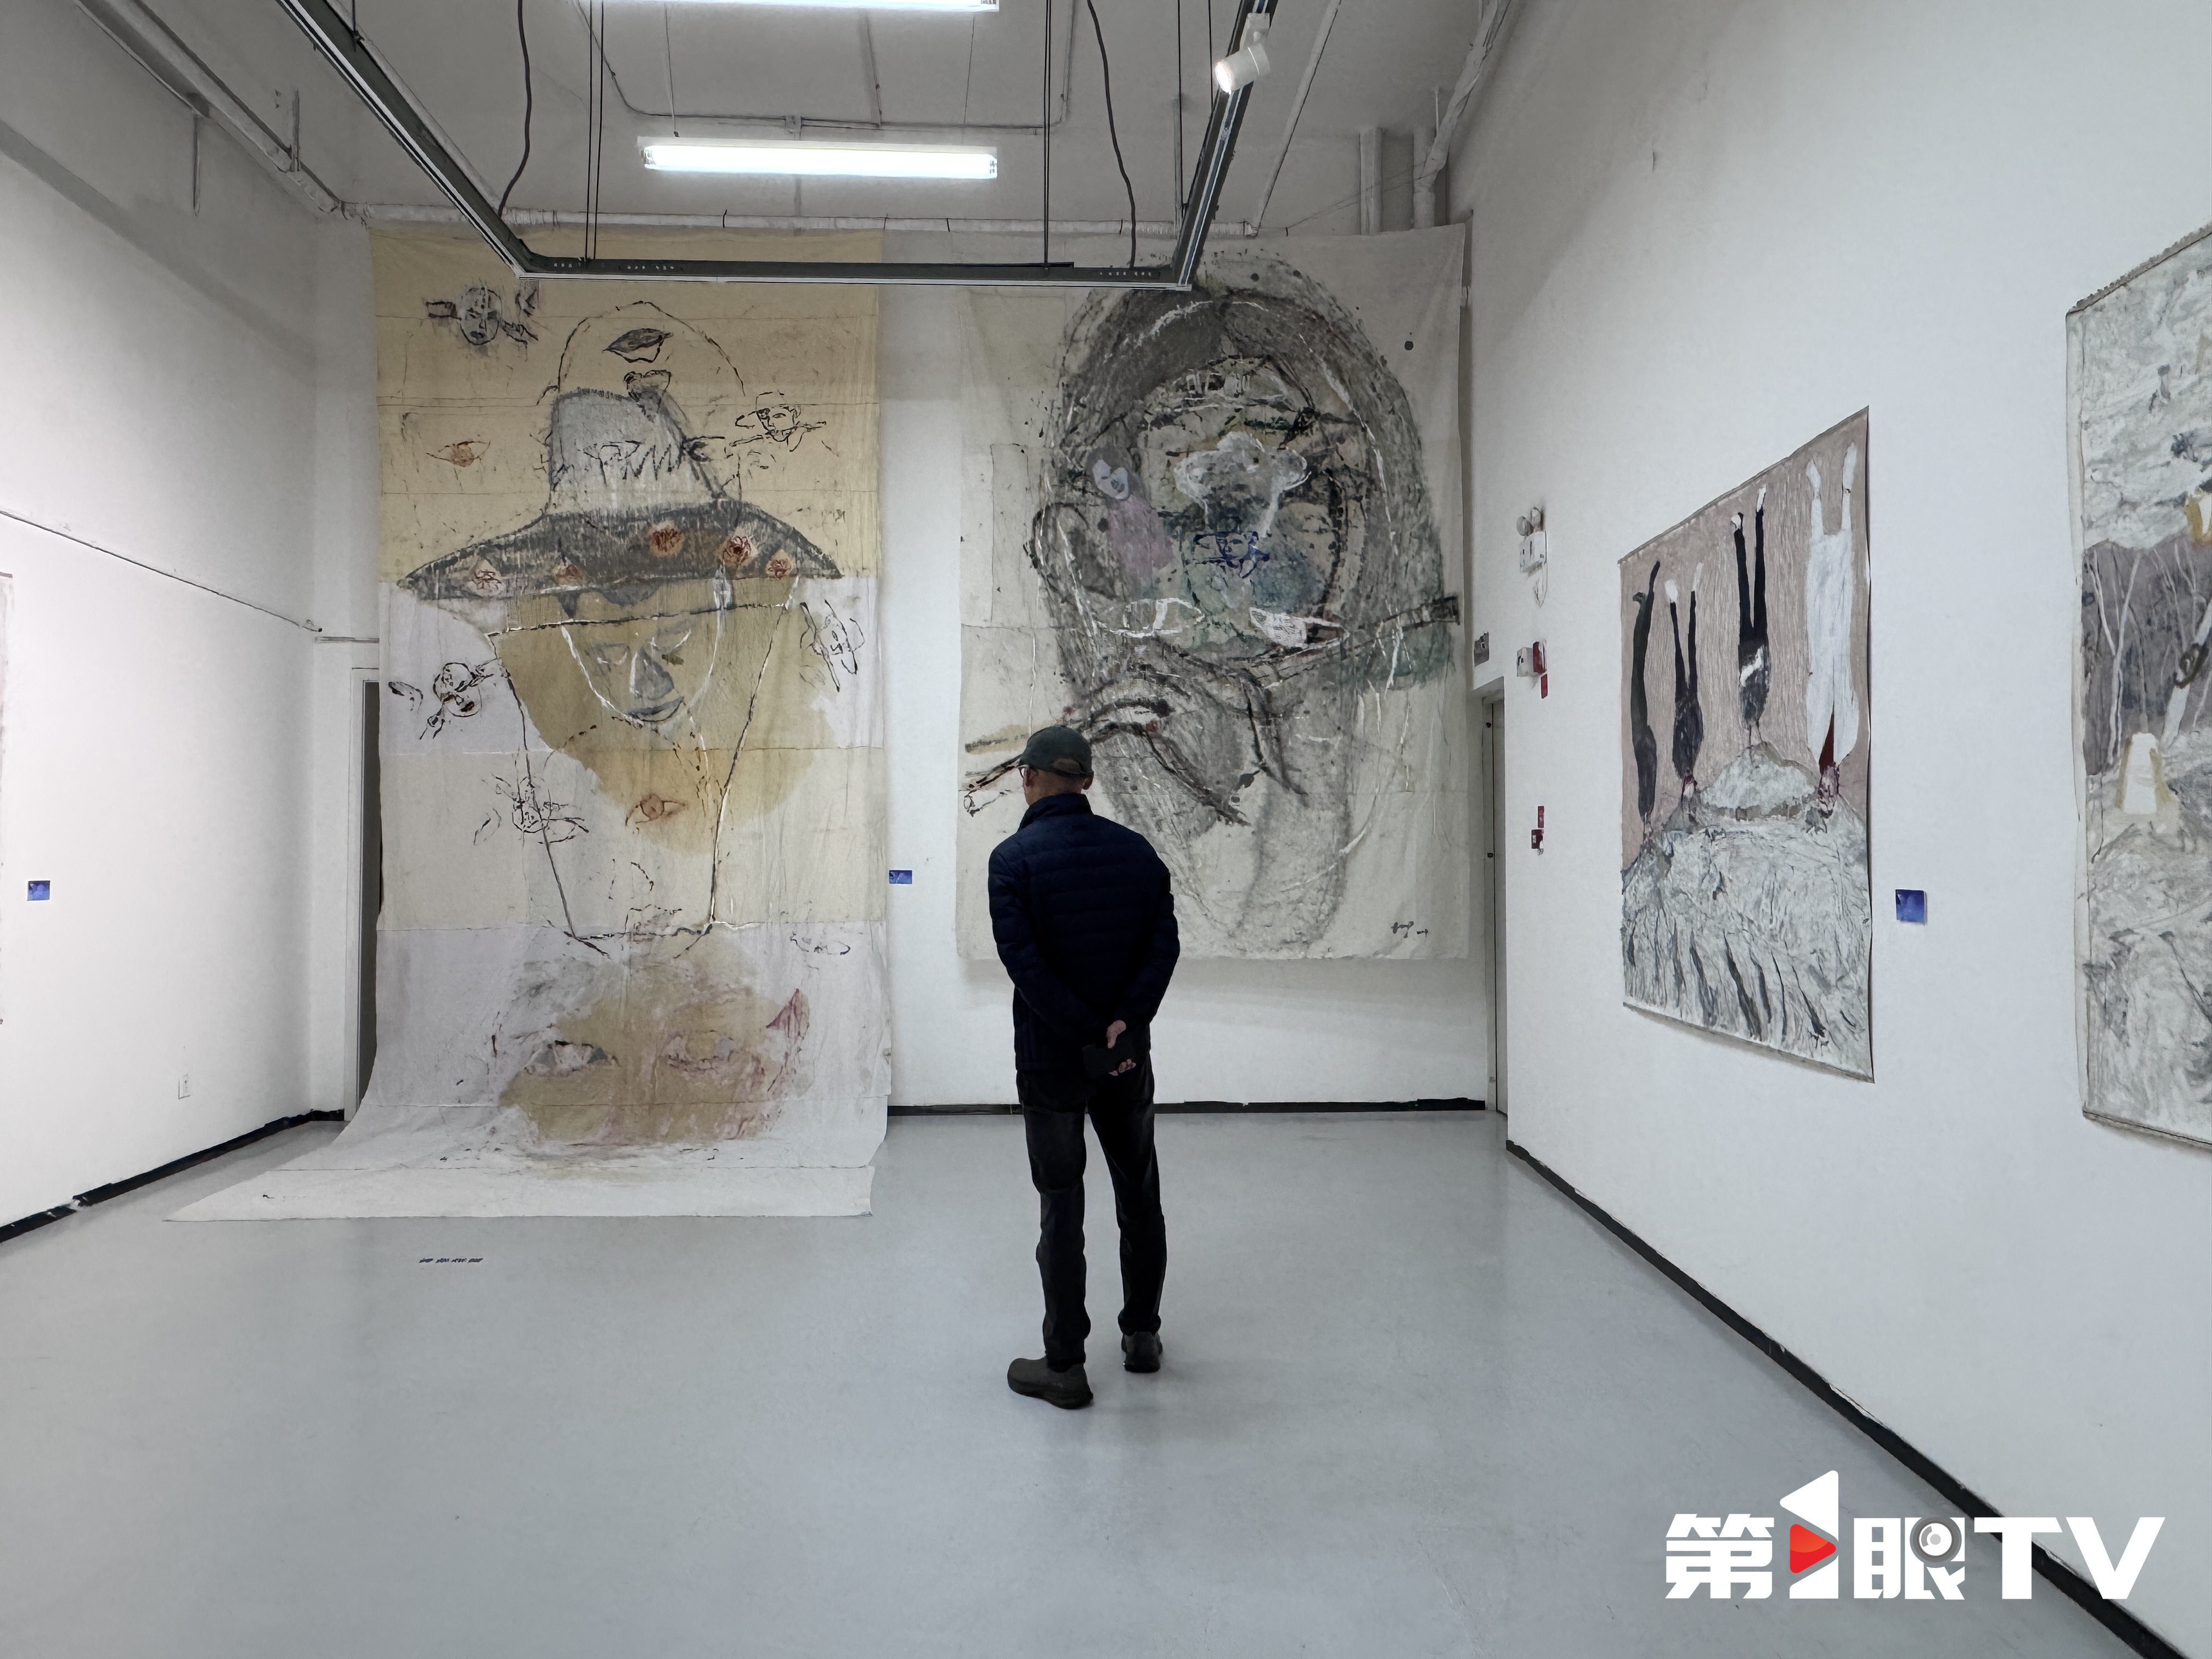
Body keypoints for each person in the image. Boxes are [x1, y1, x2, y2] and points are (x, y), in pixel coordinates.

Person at [988, 725, 1181, 1409]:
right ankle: (1143, 1336)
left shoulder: (1012, 861)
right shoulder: (1137, 853)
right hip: (1125, 1057)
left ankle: (1066, 1366)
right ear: (1088, 781)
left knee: (1061, 1206)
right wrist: (1122, 1023)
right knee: (1139, 1193)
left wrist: (1082, 1029)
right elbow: (1163, 947)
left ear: (1028, 777)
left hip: (1051, 1063)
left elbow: (1025, 966)